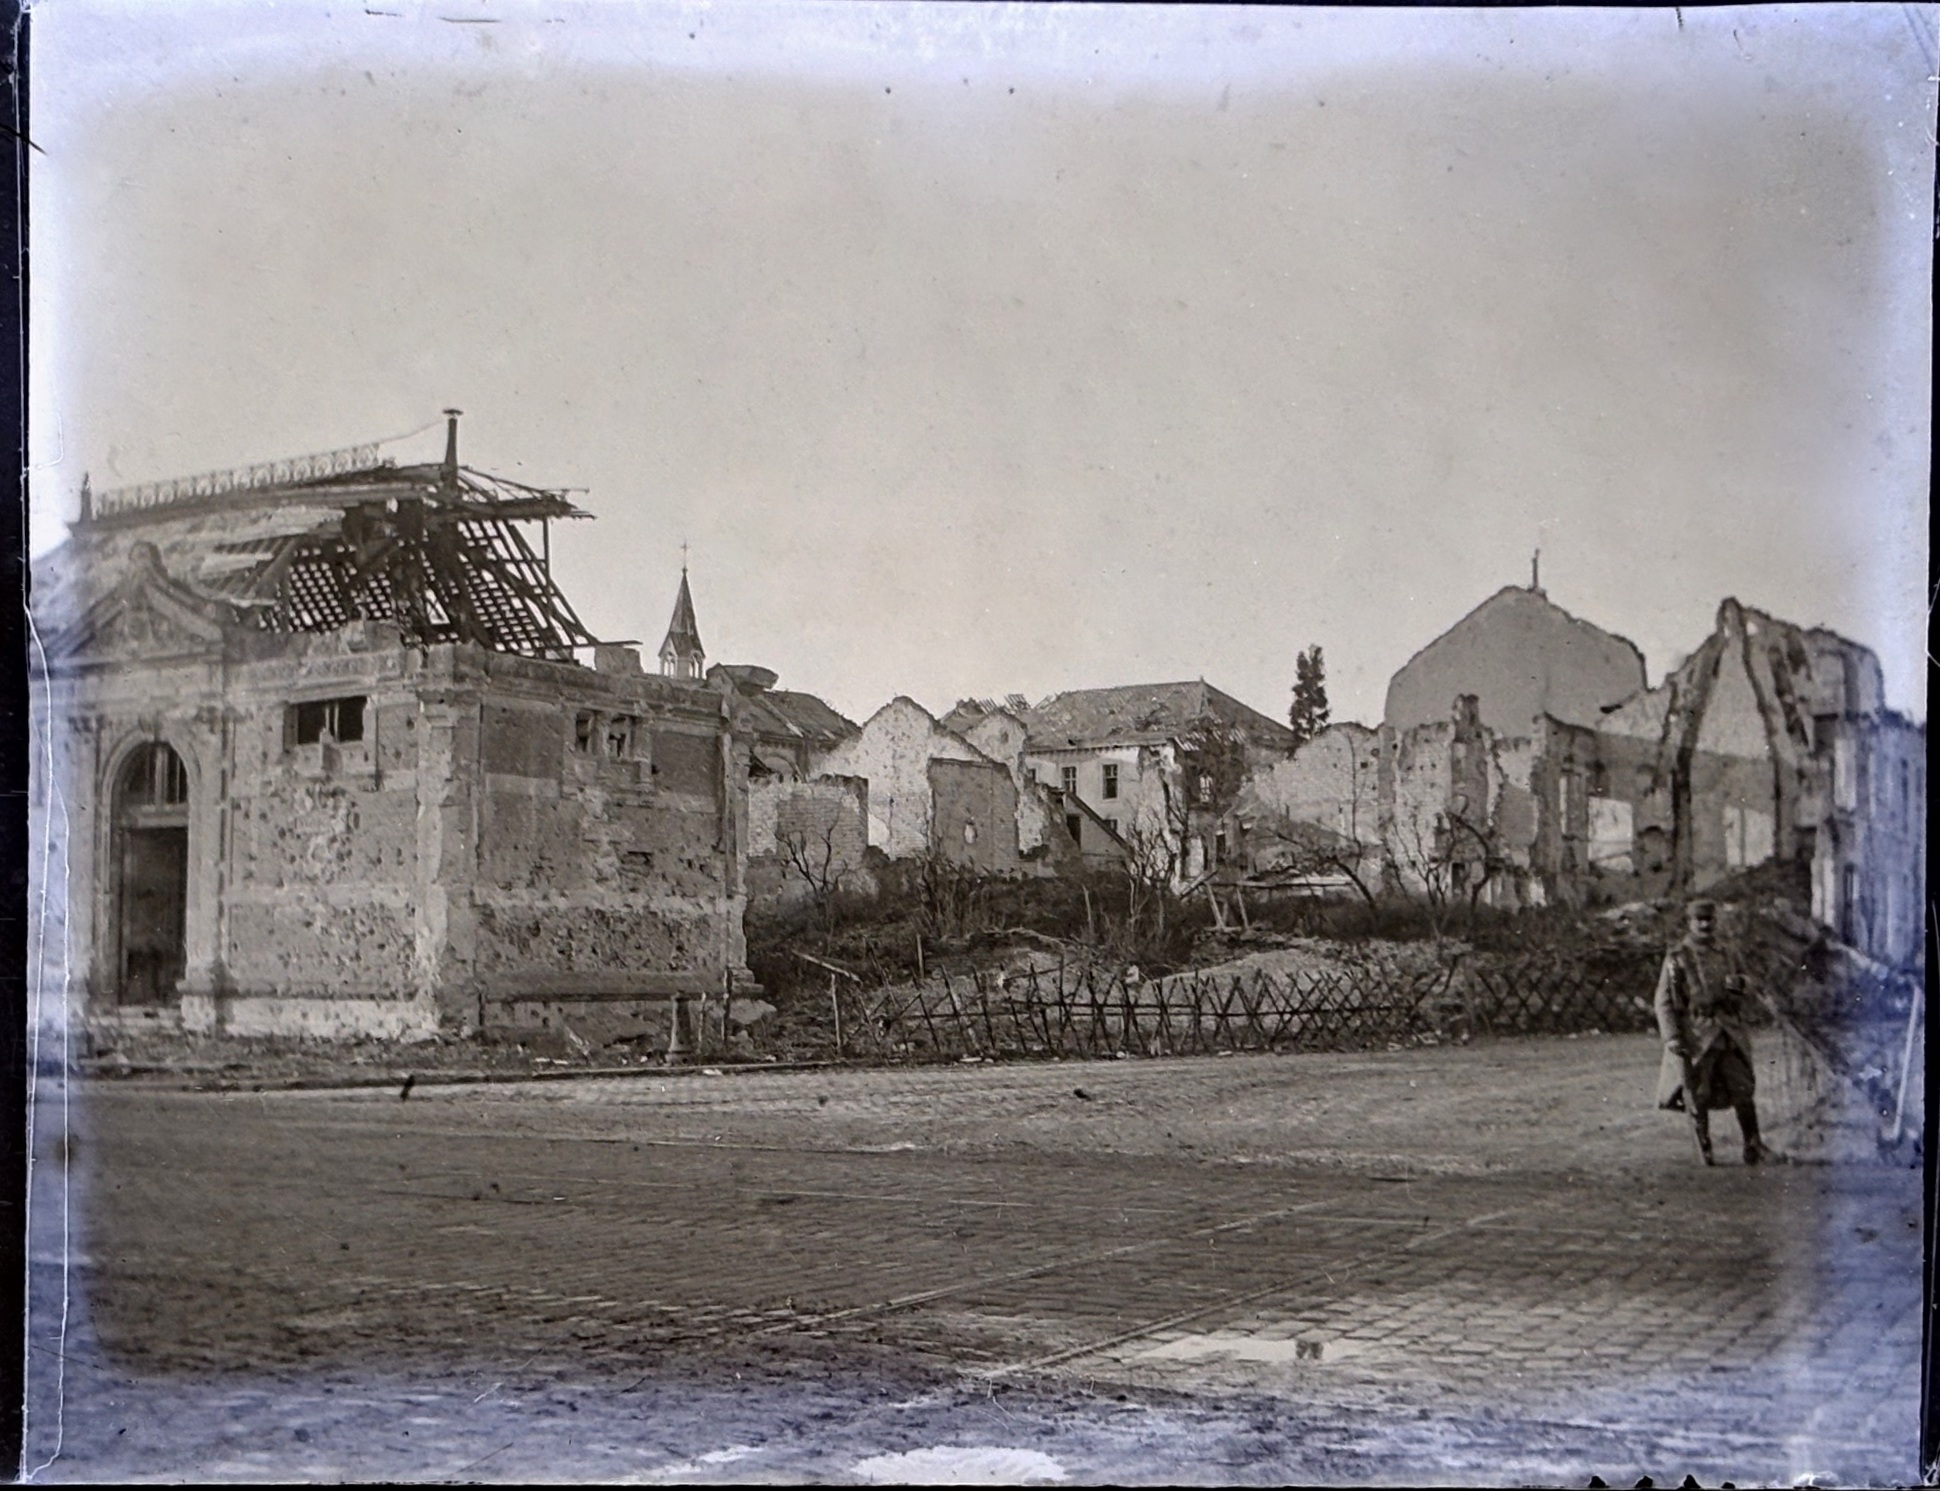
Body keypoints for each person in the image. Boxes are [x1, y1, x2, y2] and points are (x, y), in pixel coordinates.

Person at [1654, 898, 1779, 1166]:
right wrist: (1673, 1037)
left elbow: (1748, 980)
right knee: (1698, 1092)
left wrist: (1741, 984)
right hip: (1698, 1034)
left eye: (1709, 919)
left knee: (1743, 1087)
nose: (1705, 925)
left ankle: (1753, 1145)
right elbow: (1663, 1001)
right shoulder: (1677, 957)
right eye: (1699, 920)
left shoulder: (1727, 953)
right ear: (1689, 924)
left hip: (1729, 1031)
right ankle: (1704, 1146)